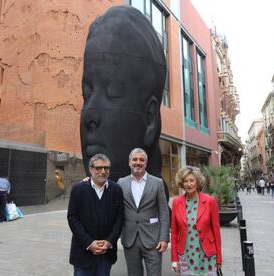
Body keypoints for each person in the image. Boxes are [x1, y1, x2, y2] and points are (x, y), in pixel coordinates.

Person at [80, 6, 166, 182]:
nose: (89, 115)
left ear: (150, 120)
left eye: (112, 92)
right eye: (87, 95)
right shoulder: (81, 195)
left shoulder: (153, 196)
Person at [67, 154, 124, 276]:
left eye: (106, 168)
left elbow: (120, 218)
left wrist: (109, 241)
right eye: (99, 168)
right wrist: (89, 242)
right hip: (83, 252)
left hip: (106, 254)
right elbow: (72, 218)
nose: (103, 171)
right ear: (91, 169)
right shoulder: (78, 189)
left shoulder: (116, 190)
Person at [117, 148, 170, 276]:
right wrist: (88, 182)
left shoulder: (157, 183)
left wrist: (164, 238)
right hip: (130, 239)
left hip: (153, 239)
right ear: (129, 162)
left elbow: (163, 212)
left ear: (146, 163)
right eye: (134, 159)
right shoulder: (121, 183)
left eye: (141, 160)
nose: (138, 162)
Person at [171, 166, 222, 275]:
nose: (188, 184)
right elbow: (174, 232)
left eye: (191, 180)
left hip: (206, 255)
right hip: (186, 254)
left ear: (197, 182)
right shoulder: (176, 202)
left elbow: (216, 231)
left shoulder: (210, 201)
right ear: (181, 183)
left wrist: (219, 258)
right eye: (185, 181)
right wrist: (174, 259)